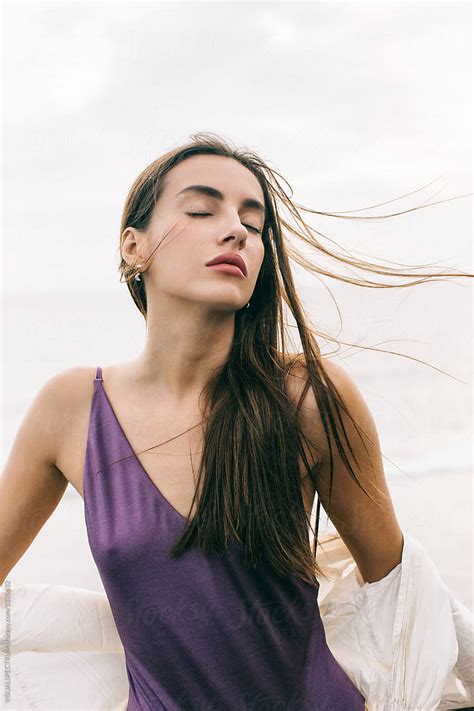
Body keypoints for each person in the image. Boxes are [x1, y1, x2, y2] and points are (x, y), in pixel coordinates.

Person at [1, 132, 472, 710]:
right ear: (133, 247)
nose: (236, 231)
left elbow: (402, 599)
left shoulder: (306, 397)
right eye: (202, 209)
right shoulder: (70, 408)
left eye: (254, 222)